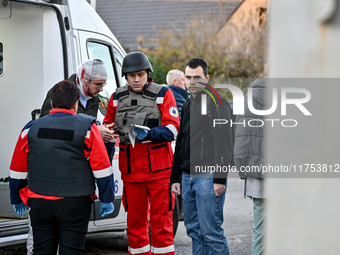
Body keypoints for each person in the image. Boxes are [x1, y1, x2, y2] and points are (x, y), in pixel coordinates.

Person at [9, 80, 115, 255]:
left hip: (39, 201)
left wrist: (15, 197)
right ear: (75, 104)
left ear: (51, 102)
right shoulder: (88, 128)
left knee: (41, 250)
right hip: (75, 203)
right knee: (72, 250)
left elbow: (18, 170)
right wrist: (106, 198)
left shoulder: (30, 129)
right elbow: (102, 168)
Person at [103, 51, 180, 255]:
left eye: (141, 75)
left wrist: (147, 133)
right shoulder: (116, 98)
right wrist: (105, 134)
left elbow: (173, 128)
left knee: (162, 224)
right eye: (132, 76)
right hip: (131, 173)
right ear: (125, 77)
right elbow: (107, 128)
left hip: (159, 172)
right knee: (135, 226)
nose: (136, 79)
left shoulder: (164, 94)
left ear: (148, 73)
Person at [170, 57, 233, 255]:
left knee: (211, 233)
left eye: (197, 77)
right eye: (188, 77)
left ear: (206, 78)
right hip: (188, 177)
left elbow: (225, 143)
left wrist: (220, 179)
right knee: (194, 231)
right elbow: (181, 141)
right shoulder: (188, 104)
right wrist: (176, 178)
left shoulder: (218, 103)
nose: (192, 82)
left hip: (208, 176)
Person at [40, 59, 115, 144]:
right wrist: (94, 131)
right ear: (85, 80)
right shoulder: (60, 93)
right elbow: (49, 129)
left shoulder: (93, 98)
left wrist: (102, 132)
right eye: (98, 85)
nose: (101, 89)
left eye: (103, 85)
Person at [234, 78, 266, 255]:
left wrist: (244, 169)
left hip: (257, 173)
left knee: (260, 231)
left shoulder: (249, 96)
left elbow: (239, 134)